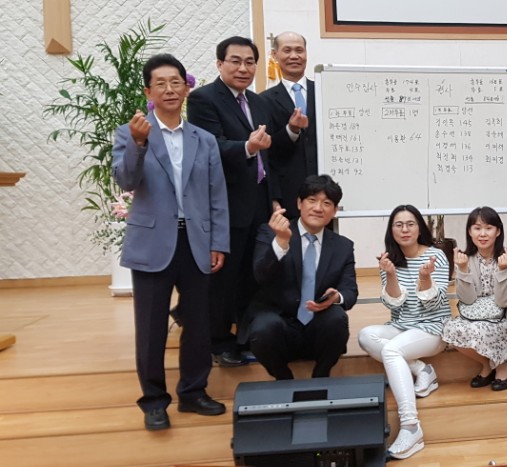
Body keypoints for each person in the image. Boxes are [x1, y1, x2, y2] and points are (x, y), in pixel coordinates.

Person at [112, 53, 230, 430]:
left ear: (186, 88)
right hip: (152, 242)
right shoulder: (130, 133)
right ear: (148, 91)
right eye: (160, 83)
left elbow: (216, 195)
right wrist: (138, 143)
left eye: (176, 82)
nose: (169, 89)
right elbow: (126, 180)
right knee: (150, 328)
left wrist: (219, 242)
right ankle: (153, 401)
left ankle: (193, 392)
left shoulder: (204, 139)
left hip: (196, 241)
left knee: (198, 323)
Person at [187, 36, 303, 367]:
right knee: (225, 277)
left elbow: (271, 154)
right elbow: (210, 146)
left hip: (261, 201)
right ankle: (219, 341)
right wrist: (248, 147)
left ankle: (246, 337)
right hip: (226, 203)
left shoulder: (257, 101)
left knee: (255, 275)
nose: (243, 68)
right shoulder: (203, 99)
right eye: (235, 61)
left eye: (250, 62)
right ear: (219, 64)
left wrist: (291, 133)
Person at [240, 175, 357, 380]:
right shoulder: (270, 232)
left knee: (338, 319)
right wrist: (281, 242)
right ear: (299, 203)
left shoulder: (343, 246)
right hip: (279, 324)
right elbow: (260, 275)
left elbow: (350, 291)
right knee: (263, 327)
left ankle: (321, 376)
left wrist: (336, 297)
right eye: (312, 200)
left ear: (334, 211)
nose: (318, 208)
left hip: (317, 326)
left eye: (326, 203)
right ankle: (284, 380)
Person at [357, 205, 451, 460]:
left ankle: (411, 426)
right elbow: (393, 305)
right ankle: (422, 369)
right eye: (398, 225)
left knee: (391, 350)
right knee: (365, 335)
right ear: (392, 230)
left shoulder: (436, 256)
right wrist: (390, 274)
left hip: (432, 328)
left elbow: (434, 305)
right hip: (402, 326)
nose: (405, 229)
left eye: (410, 224)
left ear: (420, 228)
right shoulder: (390, 260)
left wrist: (425, 278)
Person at [441, 207, 507, 391]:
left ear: (498, 231)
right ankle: (488, 364)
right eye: (477, 228)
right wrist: (462, 270)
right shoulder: (464, 259)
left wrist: (503, 271)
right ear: (469, 232)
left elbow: (504, 302)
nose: (483, 234)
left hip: (502, 317)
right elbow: (467, 299)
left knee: (479, 330)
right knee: (450, 330)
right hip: (473, 315)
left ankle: (503, 366)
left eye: (488, 228)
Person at [261, 31, 318, 220]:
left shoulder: (323, 90)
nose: (294, 56)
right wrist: (291, 130)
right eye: (287, 50)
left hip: (326, 192)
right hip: (288, 194)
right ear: (275, 55)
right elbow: (268, 153)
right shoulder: (264, 100)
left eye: (299, 50)